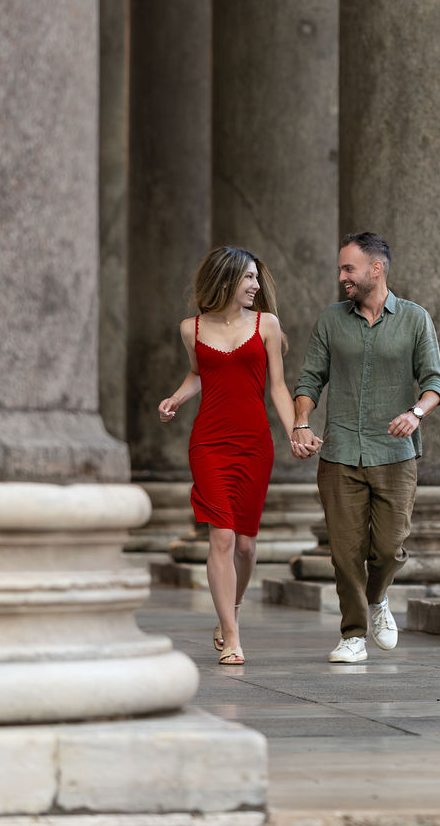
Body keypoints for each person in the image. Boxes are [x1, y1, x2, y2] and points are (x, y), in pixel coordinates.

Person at [292, 232, 440, 663]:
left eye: (349, 269)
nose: (342, 276)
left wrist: (415, 414)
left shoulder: (415, 319)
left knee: (390, 547)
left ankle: (377, 598)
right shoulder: (330, 320)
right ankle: (353, 634)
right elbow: (309, 380)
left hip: (396, 455)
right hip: (339, 450)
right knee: (345, 553)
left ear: (375, 269)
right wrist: (301, 423)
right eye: (341, 268)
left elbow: (435, 382)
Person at [158, 245, 310, 665]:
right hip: (208, 442)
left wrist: (296, 429)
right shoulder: (192, 328)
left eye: (256, 278)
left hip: (254, 444)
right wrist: (175, 397)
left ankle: (233, 606)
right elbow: (199, 373)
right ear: (226, 280)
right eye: (249, 278)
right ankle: (231, 633)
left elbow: (278, 386)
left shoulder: (267, 325)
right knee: (221, 536)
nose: (256, 286)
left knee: (245, 546)